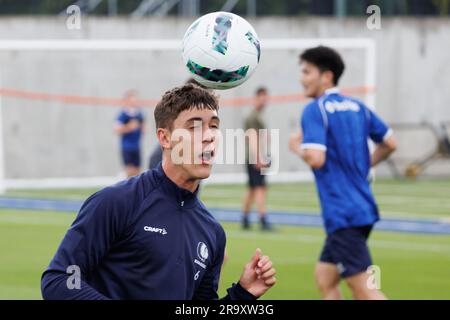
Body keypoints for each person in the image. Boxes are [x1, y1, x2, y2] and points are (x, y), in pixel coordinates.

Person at [41, 83, 276, 300]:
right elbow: (60, 279)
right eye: (194, 127)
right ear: (164, 138)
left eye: (213, 126)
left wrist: (242, 294)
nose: (208, 136)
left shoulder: (212, 232)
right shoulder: (116, 202)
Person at [289, 46, 396, 300]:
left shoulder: (316, 109)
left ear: (326, 76)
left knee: (363, 290)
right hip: (362, 207)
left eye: (306, 71)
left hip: (342, 213)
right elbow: (391, 143)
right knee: (325, 277)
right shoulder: (358, 106)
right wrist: (364, 165)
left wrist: (295, 147)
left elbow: (316, 158)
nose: (301, 78)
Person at [242, 87, 272, 230]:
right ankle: (263, 220)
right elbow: (252, 137)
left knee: (253, 189)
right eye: (262, 97)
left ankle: (245, 218)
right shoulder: (253, 117)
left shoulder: (257, 116)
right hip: (255, 157)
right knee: (260, 188)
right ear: (256, 98)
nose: (264, 100)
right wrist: (258, 158)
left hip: (255, 156)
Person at [114, 90, 145, 178]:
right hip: (127, 146)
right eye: (132, 99)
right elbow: (116, 129)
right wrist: (128, 127)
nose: (134, 101)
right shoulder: (123, 114)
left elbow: (142, 127)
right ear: (127, 100)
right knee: (129, 171)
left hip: (137, 146)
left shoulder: (139, 114)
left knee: (138, 172)